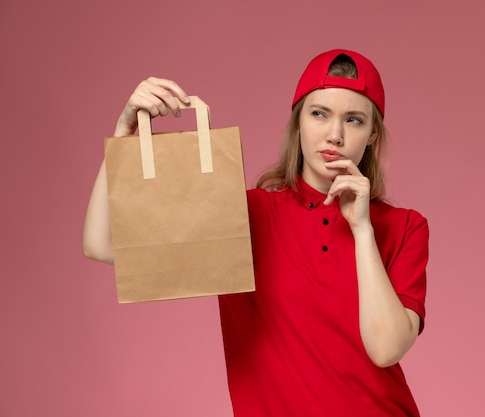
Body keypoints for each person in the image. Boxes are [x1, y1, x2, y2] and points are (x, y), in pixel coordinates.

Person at [83, 49, 429, 417]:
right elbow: (100, 244)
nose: (335, 134)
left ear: (372, 133)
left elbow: (386, 348)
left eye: (354, 119)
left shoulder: (405, 226)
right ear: (298, 122)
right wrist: (123, 135)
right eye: (319, 114)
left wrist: (362, 230)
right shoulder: (242, 214)